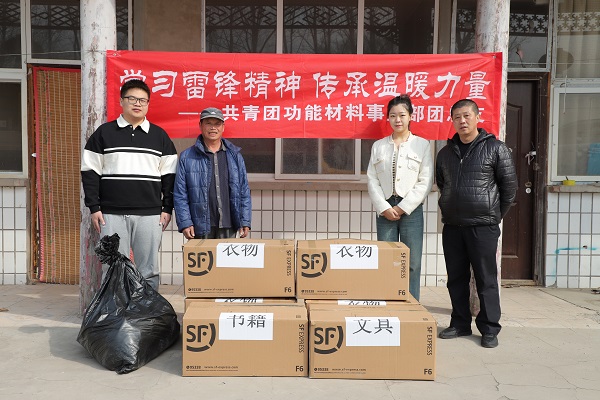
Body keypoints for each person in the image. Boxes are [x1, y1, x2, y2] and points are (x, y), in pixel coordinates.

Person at [81, 79, 178, 291]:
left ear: (148, 104)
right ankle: (115, 310)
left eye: (143, 100)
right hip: (111, 214)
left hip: (150, 214)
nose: (137, 103)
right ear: (121, 101)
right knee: (113, 268)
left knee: (148, 270)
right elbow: (90, 172)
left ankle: (147, 310)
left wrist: (167, 208)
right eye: (132, 98)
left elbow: (170, 177)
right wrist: (94, 207)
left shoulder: (160, 136)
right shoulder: (104, 134)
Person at [436, 99, 517, 348]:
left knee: (485, 278)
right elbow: (442, 184)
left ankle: (489, 328)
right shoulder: (445, 153)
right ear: (452, 121)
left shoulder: (495, 148)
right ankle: (460, 323)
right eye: (457, 117)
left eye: (467, 115)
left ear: (477, 117)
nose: (462, 121)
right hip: (453, 226)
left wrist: (493, 216)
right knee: (456, 278)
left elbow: (509, 188)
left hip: (483, 226)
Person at [367, 95, 434, 301]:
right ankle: (388, 302)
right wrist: (384, 207)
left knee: (412, 262)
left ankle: (412, 304)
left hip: (411, 210)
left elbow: (425, 181)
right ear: (387, 118)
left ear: (410, 116)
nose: (398, 120)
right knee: (386, 259)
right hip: (385, 209)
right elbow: (372, 179)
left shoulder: (422, 145)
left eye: (402, 115)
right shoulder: (379, 146)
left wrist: (403, 207)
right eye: (393, 115)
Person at [174, 107, 251, 239]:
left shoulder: (234, 156)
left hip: (229, 223)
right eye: (208, 123)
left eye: (217, 124)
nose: (213, 128)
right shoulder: (187, 157)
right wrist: (185, 222)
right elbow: (180, 193)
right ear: (200, 125)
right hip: (199, 225)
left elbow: (244, 190)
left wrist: (245, 220)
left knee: (227, 254)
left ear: (223, 127)